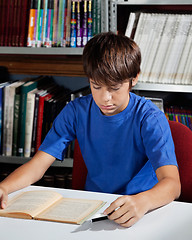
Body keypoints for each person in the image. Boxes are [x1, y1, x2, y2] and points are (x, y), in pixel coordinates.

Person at [0, 32, 180, 228]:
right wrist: (4, 187)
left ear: (134, 78)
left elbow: (172, 183)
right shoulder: (76, 112)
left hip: (142, 208)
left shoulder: (150, 118)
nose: (105, 98)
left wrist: (143, 201)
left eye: (114, 88)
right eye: (96, 86)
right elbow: (37, 166)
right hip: (95, 208)